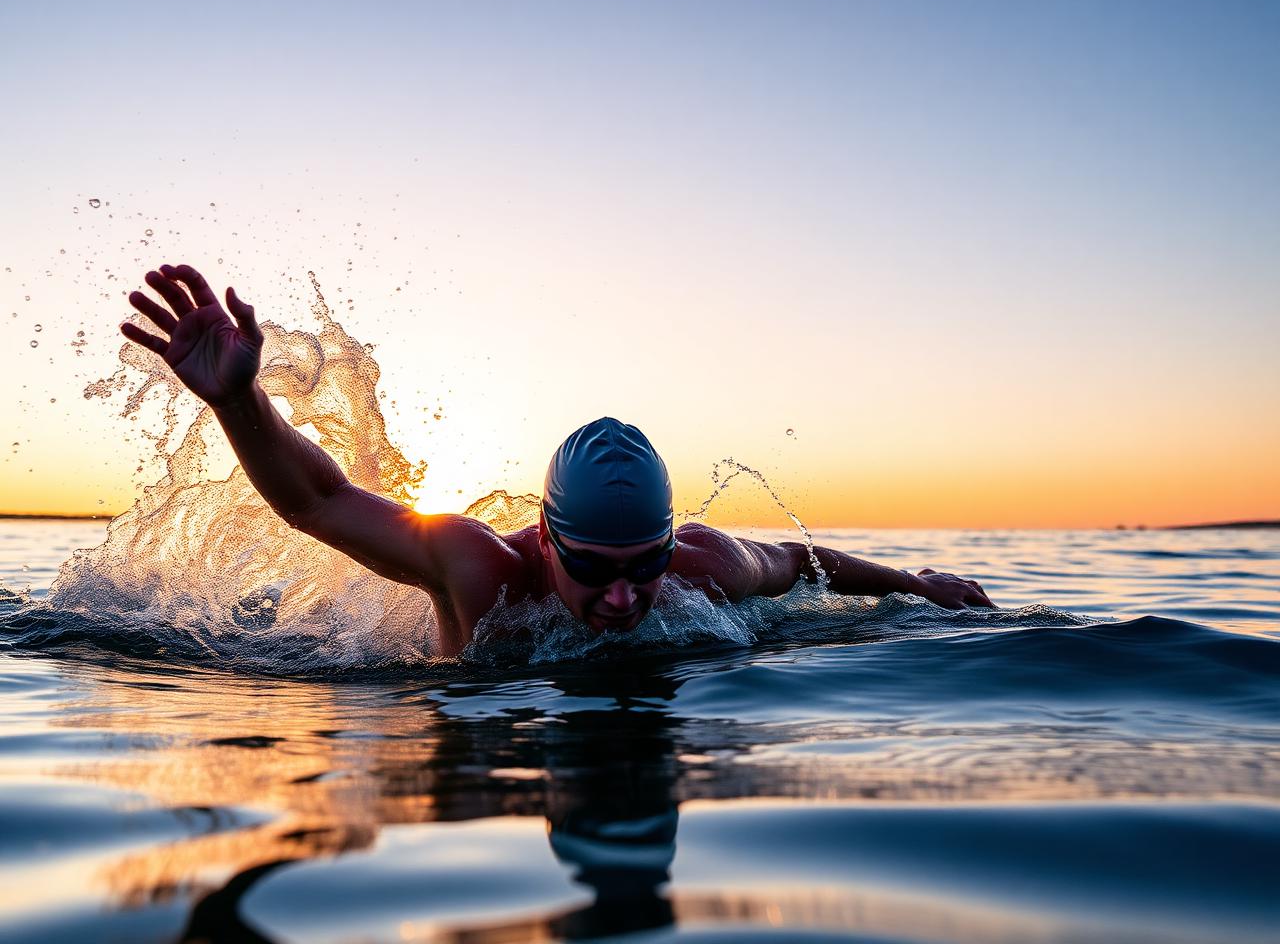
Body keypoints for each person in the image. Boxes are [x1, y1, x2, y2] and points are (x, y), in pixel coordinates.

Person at [121, 264, 995, 656]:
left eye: (641, 568)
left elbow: (804, 562)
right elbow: (318, 501)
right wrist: (240, 400)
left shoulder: (701, 567)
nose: (624, 599)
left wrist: (919, 588)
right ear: (547, 538)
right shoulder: (480, 572)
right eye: (594, 570)